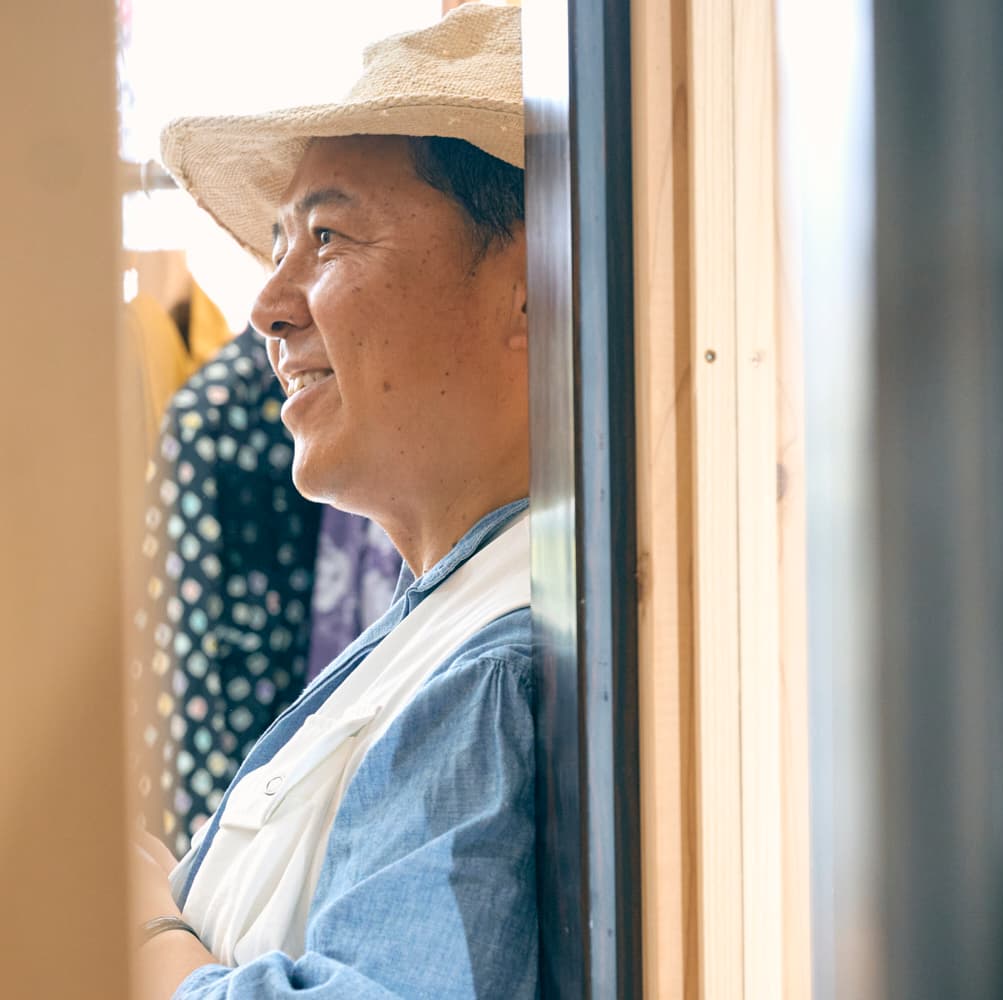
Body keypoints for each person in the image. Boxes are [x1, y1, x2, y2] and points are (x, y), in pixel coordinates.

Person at [128, 6, 538, 997]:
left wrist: (141, 930)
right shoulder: (442, 626)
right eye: (279, 241)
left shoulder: (491, 675)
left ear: (535, 289)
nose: (268, 303)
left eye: (326, 234)